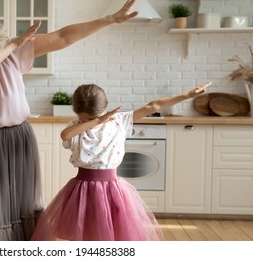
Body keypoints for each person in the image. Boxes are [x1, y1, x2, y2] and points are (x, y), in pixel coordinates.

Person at [0, 0, 141, 241]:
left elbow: (62, 37)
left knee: (18, 206)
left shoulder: (13, 55)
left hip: (17, 139)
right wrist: (12, 44)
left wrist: (110, 19)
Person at [31, 81, 212, 241]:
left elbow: (153, 106)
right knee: (84, 234)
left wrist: (187, 95)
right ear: (76, 112)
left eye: (96, 117)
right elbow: (65, 135)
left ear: (106, 106)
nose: (94, 121)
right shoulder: (75, 128)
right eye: (87, 118)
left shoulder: (120, 120)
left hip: (112, 189)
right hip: (83, 189)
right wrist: (96, 121)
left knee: (112, 233)